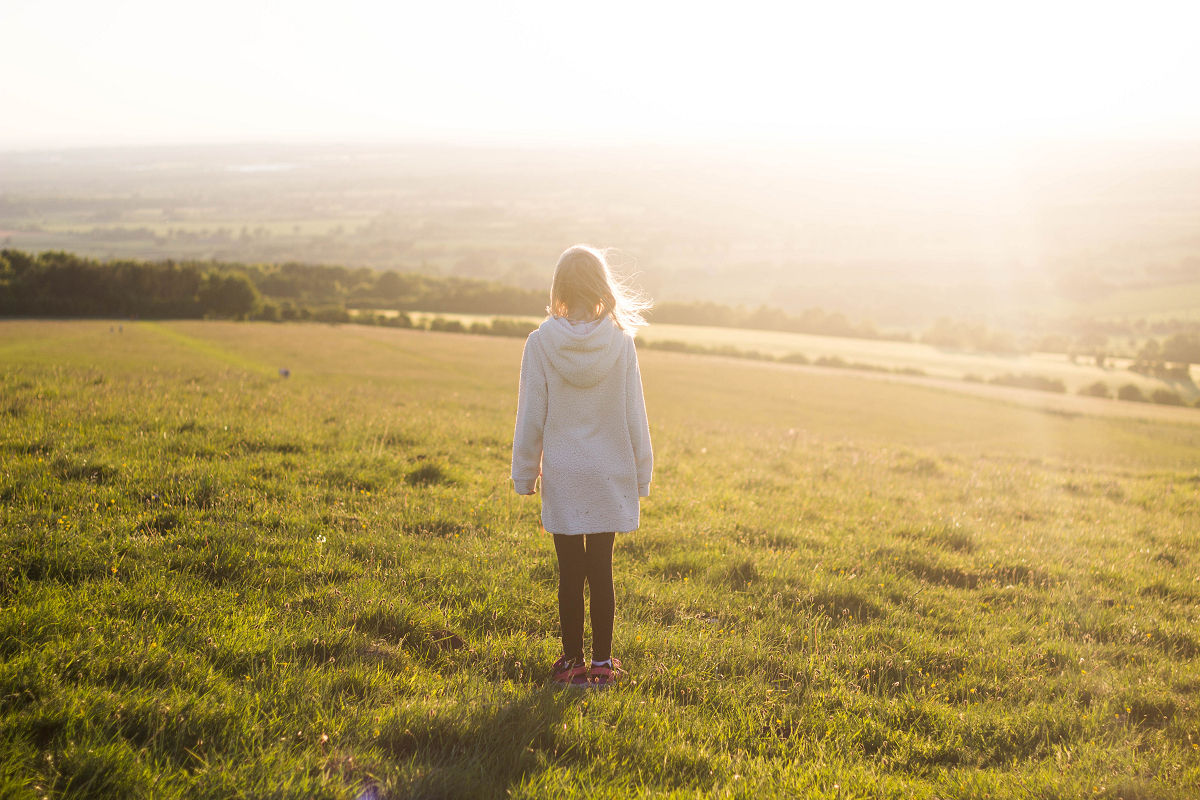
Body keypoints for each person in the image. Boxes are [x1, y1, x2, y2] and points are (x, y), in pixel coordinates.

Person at [511, 245, 654, 689]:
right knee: (602, 570)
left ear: (560, 290)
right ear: (601, 289)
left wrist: (524, 472)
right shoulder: (621, 344)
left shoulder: (540, 343)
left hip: (565, 474)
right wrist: (643, 472)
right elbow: (636, 414)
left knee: (570, 571)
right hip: (609, 473)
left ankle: (571, 662)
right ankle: (603, 664)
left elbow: (531, 413)